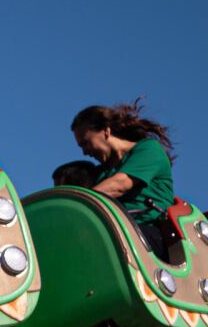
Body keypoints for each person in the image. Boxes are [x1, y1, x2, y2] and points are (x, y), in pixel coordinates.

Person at [71, 102, 176, 245]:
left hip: (150, 233)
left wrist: (79, 205)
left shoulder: (149, 149)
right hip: (116, 231)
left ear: (106, 132)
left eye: (86, 143)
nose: (84, 152)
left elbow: (121, 184)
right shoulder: (102, 174)